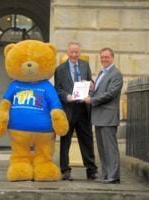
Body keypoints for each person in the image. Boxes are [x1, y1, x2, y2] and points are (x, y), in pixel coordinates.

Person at [54, 42, 98, 180]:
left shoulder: (85, 65)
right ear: (68, 53)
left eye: (76, 52)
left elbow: (90, 81)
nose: (74, 55)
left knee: (87, 140)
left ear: (79, 52)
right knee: (65, 141)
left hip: (83, 108)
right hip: (68, 109)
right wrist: (67, 97)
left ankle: (91, 170)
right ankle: (65, 171)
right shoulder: (60, 69)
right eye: (71, 52)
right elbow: (58, 89)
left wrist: (92, 84)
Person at [83, 47, 123, 184]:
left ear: (112, 58)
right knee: (102, 148)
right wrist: (90, 91)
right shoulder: (101, 73)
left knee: (110, 148)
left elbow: (111, 94)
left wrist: (92, 100)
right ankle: (105, 174)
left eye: (106, 57)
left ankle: (114, 176)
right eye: (102, 57)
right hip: (99, 116)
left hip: (108, 116)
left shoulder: (116, 74)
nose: (104, 59)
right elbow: (100, 92)